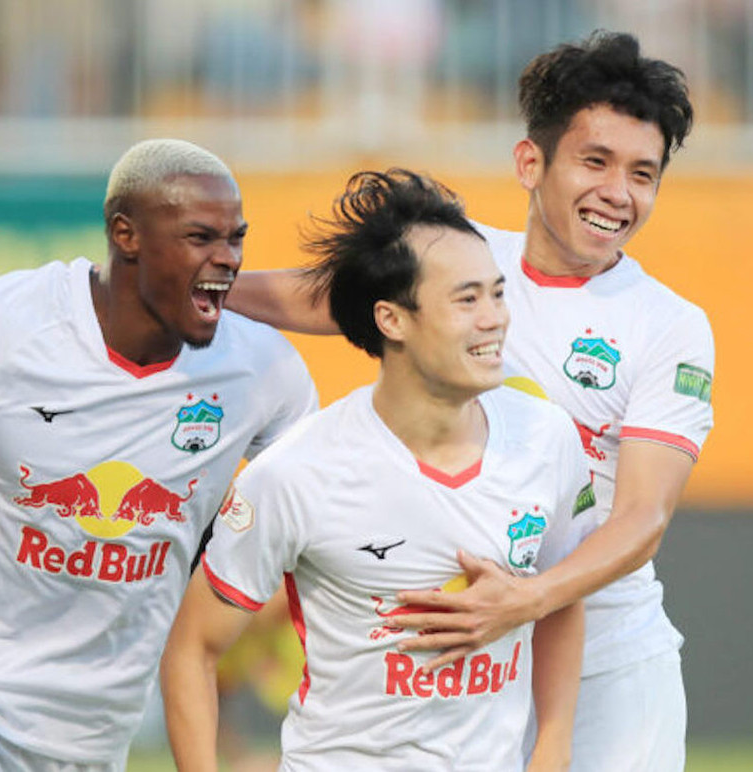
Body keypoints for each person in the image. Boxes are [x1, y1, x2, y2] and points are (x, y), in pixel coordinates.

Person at [224, 32, 714, 772]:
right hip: (471, 679)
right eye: (596, 161)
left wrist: (528, 600)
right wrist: (202, 288)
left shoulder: (669, 325)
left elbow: (643, 519)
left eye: (643, 174)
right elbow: (326, 296)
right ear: (530, 163)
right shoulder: (467, 258)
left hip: (610, 671)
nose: (619, 192)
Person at [0, 139, 317, 771]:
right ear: (126, 234)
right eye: (200, 238)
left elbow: (327, 505)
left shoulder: (262, 370)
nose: (228, 259)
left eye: (236, 239)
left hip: (91, 734)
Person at [160, 169, 595, 771]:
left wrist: (553, 745)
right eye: (467, 299)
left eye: (498, 294)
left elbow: (561, 596)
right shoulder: (296, 470)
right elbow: (191, 650)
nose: (494, 318)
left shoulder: (548, 438)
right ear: (392, 320)